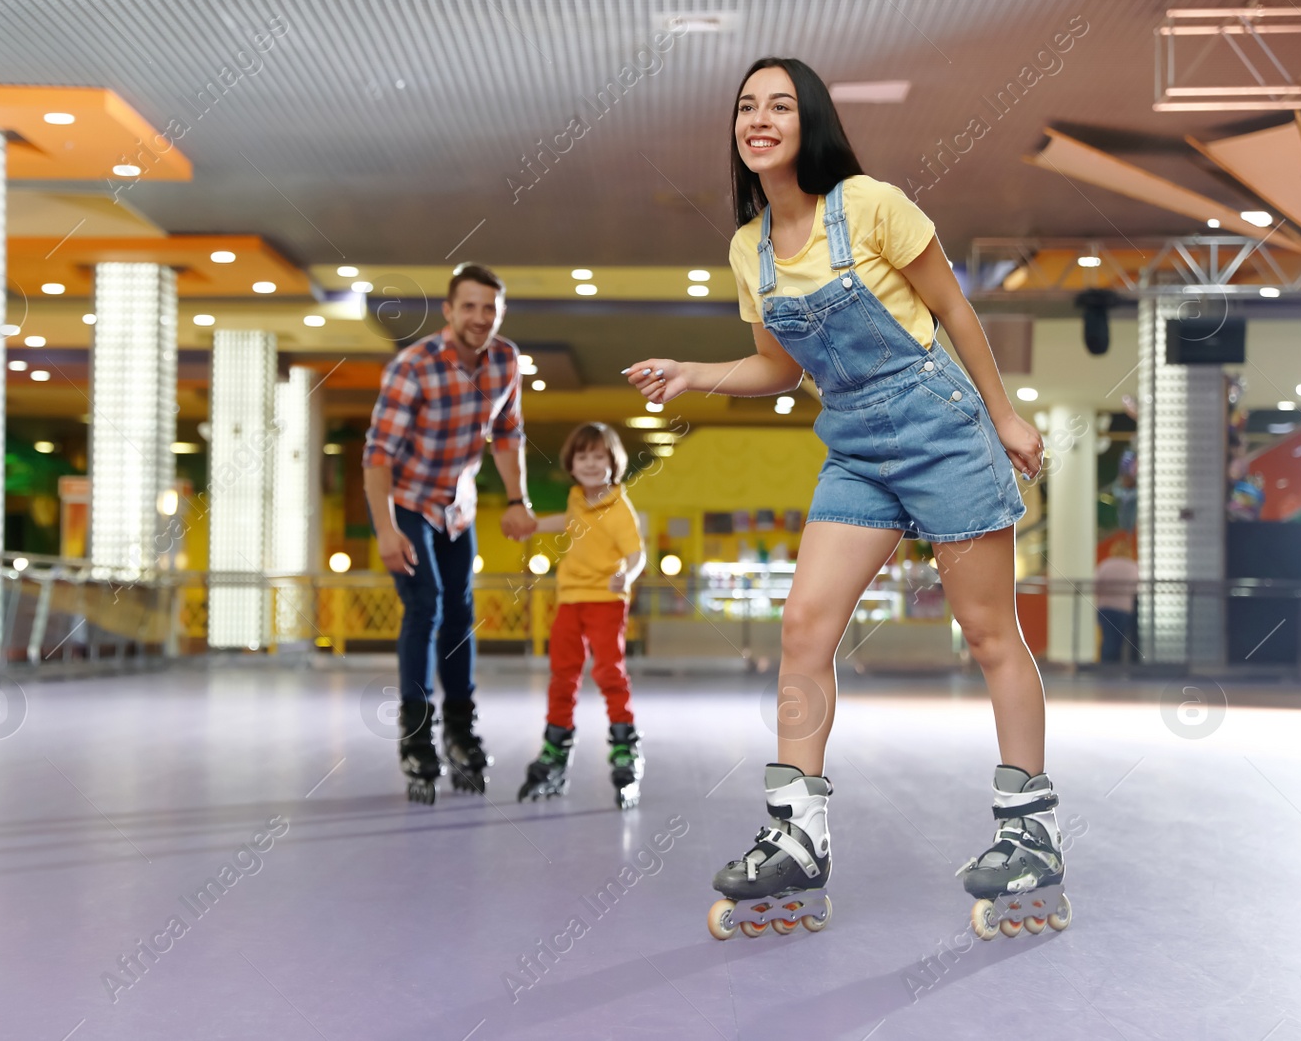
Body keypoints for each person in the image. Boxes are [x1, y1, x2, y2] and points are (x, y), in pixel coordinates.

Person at [626, 58, 1069, 938]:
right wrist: (694, 373)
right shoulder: (747, 247)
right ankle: (799, 835)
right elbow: (778, 367)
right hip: (856, 446)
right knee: (803, 625)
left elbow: (954, 309)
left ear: (810, 121)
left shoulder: (870, 204)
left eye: (779, 105)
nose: (759, 118)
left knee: (989, 633)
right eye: (746, 107)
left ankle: (1033, 833)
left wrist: (1005, 413)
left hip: (940, 424)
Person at [363, 263, 537, 804]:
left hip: (457, 509)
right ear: (448, 310)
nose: (480, 318)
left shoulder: (505, 359)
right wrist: (386, 530)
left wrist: (516, 499)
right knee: (427, 607)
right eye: (470, 306)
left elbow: (507, 433)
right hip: (409, 502)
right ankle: (416, 738)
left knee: (461, 613)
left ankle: (460, 731)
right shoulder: (413, 367)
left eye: (490, 308)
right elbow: (376, 458)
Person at [517, 423, 647, 810]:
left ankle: (624, 745)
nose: (590, 464)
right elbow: (569, 523)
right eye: (582, 456)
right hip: (570, 598)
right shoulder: (577, 497)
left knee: (608, 671)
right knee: (562, 673)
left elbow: (637, 553)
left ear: (613, 462)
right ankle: (555, 747)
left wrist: (629, 574)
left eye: (598, 456)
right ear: (571, 464)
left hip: (606, 600)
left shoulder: (620, 508)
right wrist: (532, 525)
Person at [1094, 538, 1139, 664]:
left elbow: (1095, 585)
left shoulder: (1105, 565)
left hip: (1105, 607)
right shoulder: (1133, 567)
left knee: (1108, 638)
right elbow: (1137, 588)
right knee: (1121, 640)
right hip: (1124, 608)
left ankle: (1106, 666)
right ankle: (1116, 666)